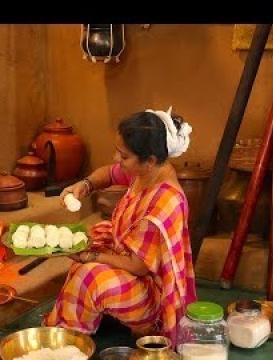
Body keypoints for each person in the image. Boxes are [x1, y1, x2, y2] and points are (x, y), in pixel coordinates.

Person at [42, 106, 197, 348]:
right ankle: (83, 324)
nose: (117, 159)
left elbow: (139, 266)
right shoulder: (147, 172)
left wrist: (93, 256)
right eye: (118, 152)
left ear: (150, 161)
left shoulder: (164, 200)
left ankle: (66, 344)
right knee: (89, 246)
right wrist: (85, 184)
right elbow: (110, 173)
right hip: (129, 260)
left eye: (124, 156)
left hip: (152, 293)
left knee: (88, 275)